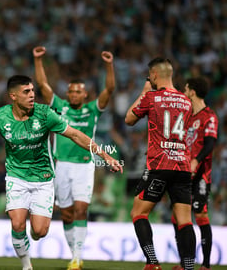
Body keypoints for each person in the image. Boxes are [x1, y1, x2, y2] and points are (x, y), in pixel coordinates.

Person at [0, 75, 123, 270]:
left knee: (39, 231)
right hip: (16, 177)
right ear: (13, 96)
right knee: (17, 224)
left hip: (43, 179)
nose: (32, 95)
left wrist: (105, 156)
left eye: (32, 91)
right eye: (26, 92)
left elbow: (75, 134)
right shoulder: (0, 117)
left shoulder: (45, 114)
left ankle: (34, 236)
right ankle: (26, 265)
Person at [32, 46, 115, 270]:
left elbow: (109, 88)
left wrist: (109, 64)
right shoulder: (59, 107)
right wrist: (38, 60)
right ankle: (74, 255)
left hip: (84, 166)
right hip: (61, 167)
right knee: (67, 214)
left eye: (78, 92)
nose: (74, 95)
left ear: (85, 94)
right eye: (71, 92)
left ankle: (77, 257)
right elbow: (42, 86)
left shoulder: (93, 109)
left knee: (80, 209)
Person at [125, 57, 196, 270]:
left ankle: (152, 262)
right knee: (184, 220)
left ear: (154, 75)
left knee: (138, 213)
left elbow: (129, 119)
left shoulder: (152, 97)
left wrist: (144, 91)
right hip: (182, 166)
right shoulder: (186, 101)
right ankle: (189, 266)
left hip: (159, 165)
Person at [171, 77, 218, 270]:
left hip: (200, 175)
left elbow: (210, 143)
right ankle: (184, 262)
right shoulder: (188, 116)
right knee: (177, 217)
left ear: (192, 91)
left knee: (200, 215)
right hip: (182, 174)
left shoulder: (210, 116)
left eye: (186, 88)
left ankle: (206, 265)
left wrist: (196, 160)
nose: (184, 91)